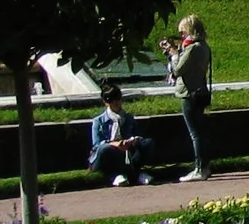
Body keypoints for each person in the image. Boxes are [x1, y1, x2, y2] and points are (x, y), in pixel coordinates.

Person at [162, 14, 214, 181]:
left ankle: (199, 168)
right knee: (200, 132)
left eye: (182, 32)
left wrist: (174, 53)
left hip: (189, 93)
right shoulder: (203, 46)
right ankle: (204, 167)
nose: (181, 36)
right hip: (199, 92)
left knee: (195, 134)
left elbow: (177, 70)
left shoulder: (192, 49)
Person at [87, 87, 150, 186]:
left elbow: (138, 135)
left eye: (118, 98)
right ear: (105, 102)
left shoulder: (129, 118)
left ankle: (135, 174)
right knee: (105, 149)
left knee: (148, 143)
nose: (115, 102)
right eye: (111, 100)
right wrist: (115, 144)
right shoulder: (98, 121)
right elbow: (96, 145)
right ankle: (115, 175)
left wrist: (132, 141)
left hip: (126, 153)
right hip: (106, 155)